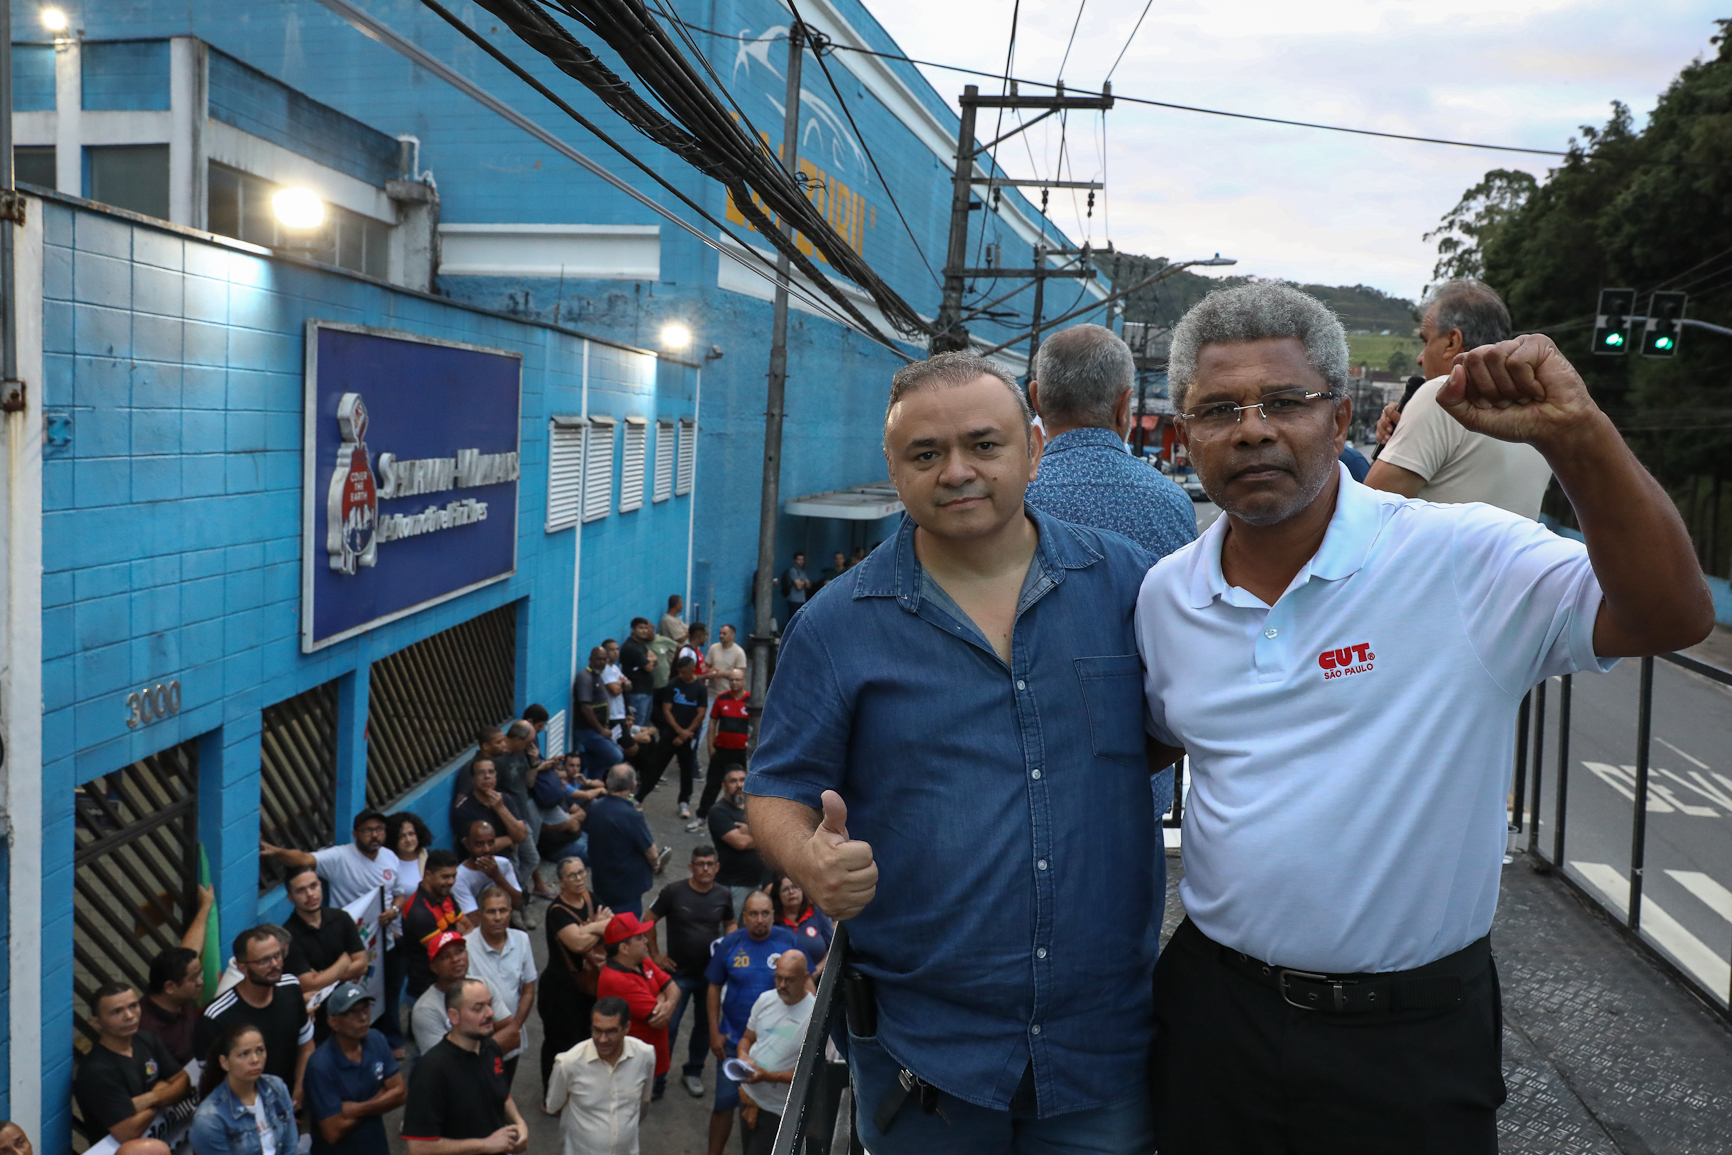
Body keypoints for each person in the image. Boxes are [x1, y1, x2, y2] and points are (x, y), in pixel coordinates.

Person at [1141, 282, 1712, 1152]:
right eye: (1219, 409)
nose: (1253, 428)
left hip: (1407, 1038)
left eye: (1286, 402)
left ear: (1340, 420)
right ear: (1186, 436)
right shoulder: (1167, 595)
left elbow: (1672, 613)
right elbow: (1153, 742)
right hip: (1218, 1019)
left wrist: (1579, 434)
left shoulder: (1464, 555)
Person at [748, 350, 1164, 1152]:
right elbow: (774, 788)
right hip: (926, 1055)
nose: (958, 471)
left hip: (1103, 1044)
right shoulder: (839, 624)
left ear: (1034, 450)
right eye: (927, 454)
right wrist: (809, 858)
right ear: (895, 469)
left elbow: (1183, 729)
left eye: (984, 444)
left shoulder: (1130, 587)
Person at [1366, 278, 1553, 518]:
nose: (1420, 358)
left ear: (1452, 342)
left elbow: (1368, 514)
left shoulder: (1440, 394)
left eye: (1426, 340)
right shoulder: (1536, 409)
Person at [702, 892, 798, 1155]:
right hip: (732, 1041)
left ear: (773, 915)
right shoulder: (729, 944)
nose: (759, 920)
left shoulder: (787, 940)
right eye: (753, 914)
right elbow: (713, 987)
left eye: (765, 913)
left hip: (775, 1044)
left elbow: (805, 980)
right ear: (744, 917)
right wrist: (714, 1032)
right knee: (723, 1104)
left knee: (768, 1108)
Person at [402, 978, 529, 1155]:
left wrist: (518, 1122)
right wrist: (485, 1145)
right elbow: (418, 1147)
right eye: (478, 1008)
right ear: (454, 1016)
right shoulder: (431, 1070)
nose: (490, 1013)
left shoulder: (490, 1048)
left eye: (489, 1004)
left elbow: (501, 1093)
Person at [647, 845, 736, 1097]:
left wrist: (727, 950)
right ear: (691, 867)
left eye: (710, 863)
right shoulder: (673, 892)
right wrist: (655, 955)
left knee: (704, 1027)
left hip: (711, 977)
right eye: (700, 864)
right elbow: (647, 922)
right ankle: (657, 1081)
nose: (705, 868)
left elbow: (730, 923)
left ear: (717, 867)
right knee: (669, 1027)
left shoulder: (723, 894)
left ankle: (693, 1072)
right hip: (677, 977)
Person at [195, 926, 315, 1107]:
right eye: (264, 961)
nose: (275, 964)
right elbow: (213, 1084)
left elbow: (306, 1045)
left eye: (278, 956)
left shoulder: (290, 987)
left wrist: (298, 1093)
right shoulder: (216, 1018)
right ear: (242, 967)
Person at [74, 982, 192, 1141]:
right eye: (117, 1012)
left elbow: (185, 1081)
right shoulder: (96, 1070)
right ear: (96, 1022)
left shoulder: (146, 1039)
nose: (129, 1016)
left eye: (133, 1006)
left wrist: (152, 1098)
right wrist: (163, 1097)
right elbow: (127, 1132)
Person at [539, 857, 614, 1092]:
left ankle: (577, 1089)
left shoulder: (591, 898)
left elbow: (612, 926)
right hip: (560, 989)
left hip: (589, 986)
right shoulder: (557, 911)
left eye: (582, 872)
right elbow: (577, 945)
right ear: (561, 881)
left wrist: (587, 928)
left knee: (585, 1039)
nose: (580, 878)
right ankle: (551, 1095)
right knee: (559, 1044)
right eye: (572, 875)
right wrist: (597, 926)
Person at [302, 983, 405, 1155]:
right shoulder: (320, 1065)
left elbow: (401, 1094)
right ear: (333, 1022)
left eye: (365, 1009)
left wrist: (356, 1109)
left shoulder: (377, 1039)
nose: (363, 1017)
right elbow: (332, 1131)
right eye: (352, 1012)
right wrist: (380, 1097)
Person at [544, 999, 655, 1155]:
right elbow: (554, 1105)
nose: (602, 1039)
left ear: (626, 1028)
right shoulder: (569, 1063)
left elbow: (643, 1102)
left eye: (611, 1031)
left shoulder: (645, 1055)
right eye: (597, 1030)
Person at [261, 811, 409, 925]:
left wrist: (394, 911)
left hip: (385, 938)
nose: (375, 835)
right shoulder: (339, 857)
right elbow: (303, 859)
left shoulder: (390, 856)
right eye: (367, 830)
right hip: (352, 936)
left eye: (379, 829)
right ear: (355, 835)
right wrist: (278, 852)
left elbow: (399, 895)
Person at [736, 952, 816, 1155]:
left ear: (806, 978)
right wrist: (742, 1056)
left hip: (778, 1111)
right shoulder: (766, 1000)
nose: (781, 984)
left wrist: (768, 1076)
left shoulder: (814, 1017)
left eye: (789, 980)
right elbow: (747, 1038)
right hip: (749, 1097)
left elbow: (809, 1073)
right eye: (778, 978)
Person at [595, 914, 679, 1099]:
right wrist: (663, 996)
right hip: (631, 1065)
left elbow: (674, 988)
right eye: (639, 938)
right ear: (624, 948)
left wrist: (665, 1000)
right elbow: (658, 1020)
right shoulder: (616, 980)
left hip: (649, 1057)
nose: (646, 940)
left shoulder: (642, 960)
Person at [464, 887, 538, 1086]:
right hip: (479, 1040)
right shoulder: (466, 947)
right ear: (480, 915)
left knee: (504, 1090)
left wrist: (514, 1028)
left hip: (513, 1036)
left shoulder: (521, 940)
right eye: (491, 911)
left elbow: (528, 989)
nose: (498, 917)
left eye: (503, 911)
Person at [189, 1024, 298, 1155]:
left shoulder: (276, 1087)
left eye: (260, 1051)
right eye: (244, 1054)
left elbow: (290, 1145)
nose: (255, 1060)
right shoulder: (209, 1120)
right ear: (225, 1062)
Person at [282, 867, 368, 1011]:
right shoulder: (288, 936)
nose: (310, 894)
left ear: (320, 886)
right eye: (300, 890)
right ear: (290, 898)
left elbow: (362, 966)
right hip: (317, 1011)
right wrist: (344, 962)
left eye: (313, 886)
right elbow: (308, 985)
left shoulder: (341, 918)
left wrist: (322, 978)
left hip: (350, 1003)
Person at [585, 766, 660, 917]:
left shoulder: (594, 808)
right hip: (626, 888)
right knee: (627, 931)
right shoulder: (631, 816)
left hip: (601, 881)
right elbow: (651, 852)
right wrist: (656, 864)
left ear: (607, 782)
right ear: (633, 786)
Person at [693, 668, 750, 829]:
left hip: (740, 752)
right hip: (721, 750)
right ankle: (701, 816)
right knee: (712, 784)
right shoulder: (721, 698)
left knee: (741, 787)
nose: (734, 682)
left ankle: (742, 819)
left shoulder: (751, 701)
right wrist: (710, 746)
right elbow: (712, 723)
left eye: (737, 679)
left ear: (744, 681)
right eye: (731, 679)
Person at [402, 850, 463, 1001]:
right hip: (426, 992)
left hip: (448, 984)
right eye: (445, 876)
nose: (451, 882)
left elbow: (467, 926)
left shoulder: (445, 895)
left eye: (453, 876)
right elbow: (446, 953)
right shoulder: (418, 912)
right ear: (428, 875)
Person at [651, 656, 707, 819]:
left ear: (692, 670)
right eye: (679, 672)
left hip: (689, 736)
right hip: (672, 733)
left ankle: (684, 802)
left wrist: (686, 733)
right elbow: (667, 709)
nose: (681, 675)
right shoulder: (673, 685)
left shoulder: (700, 688)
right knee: (656, 764)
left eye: (684, 672)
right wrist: (678, 730)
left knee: (686, 770)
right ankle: (639, 797)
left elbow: (701, 713)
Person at [707, 766, 766, 914]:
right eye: (733, 781)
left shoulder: (753, 808)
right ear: (724, 785)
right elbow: (741, 843)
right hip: (734, 886)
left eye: (742, 780)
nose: (739, 785)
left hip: (760, 884)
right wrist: (763, 835)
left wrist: (750, 831)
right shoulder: (718, 811)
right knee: (731, 932)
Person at [408, 932, 471, 1057]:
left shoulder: (483, 985)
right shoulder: (425, 1009)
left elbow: (510, 1032)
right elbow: (442, 1061)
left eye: (459, 951)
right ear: (434, 967)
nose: (455, 959)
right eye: (446, 956)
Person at [449, 759, 529, 857]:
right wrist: (510, 840)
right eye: (481, 773)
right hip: (481, 863)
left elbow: (521, 836)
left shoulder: (505, 799)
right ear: (473, 779)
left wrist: (500, 808)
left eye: (491, 772)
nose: (487, 776)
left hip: (508, 857)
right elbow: (476, 848)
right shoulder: (463, 809)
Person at [572, 647, 628, 777]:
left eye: (604, 659)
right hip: (587, 730)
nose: (602, 662)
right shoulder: (585, 677)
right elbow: (585, 708)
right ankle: (582, 760)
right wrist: (601, 729)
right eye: (599, 659)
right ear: (590, 659)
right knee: (616, 756)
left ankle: (592, 793)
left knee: (599, 768)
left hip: (599, 729)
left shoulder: (598, 676)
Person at [453, 819, 524, 919]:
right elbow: (473, 918)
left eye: (490, 843)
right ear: (467, 844)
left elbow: (518, 903)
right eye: (479, 844)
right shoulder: (459, 877)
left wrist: (497, 876)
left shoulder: (503, 864)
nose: (487, 849)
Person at [769, 873, 832, 974]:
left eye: (795, 887)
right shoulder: (773, 921)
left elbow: (832, 949)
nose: (791, 892)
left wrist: (818, 970)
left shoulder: (817, 913)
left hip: (820, 978)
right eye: (785, 889)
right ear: (778, 895)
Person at [619, 618, 658, 730]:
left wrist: (651, 660)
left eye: (646, 628)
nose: (644, 631)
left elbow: (655, 660)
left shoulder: (641, 644)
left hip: (646, 692)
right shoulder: (631, 647)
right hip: (637, 693)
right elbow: (649, 667)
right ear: (633, 629)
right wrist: (651, 660)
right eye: (641, 628)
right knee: (637, 726)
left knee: (643, 725)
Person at [703, 624, 748, 700]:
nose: (721, 636)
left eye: (724, 634)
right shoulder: (713, 648)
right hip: (711, 693)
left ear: (732, 635)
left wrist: (721, 674)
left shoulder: (739, 652)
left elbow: (740, 675)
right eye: (720, 633)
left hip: (729, 695)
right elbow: (706, 666)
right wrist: (710, 672)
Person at [601, 639, 630, 732]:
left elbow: (629, 686)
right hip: (611, 716)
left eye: (617, 649)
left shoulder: (615, 668)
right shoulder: (604, 669)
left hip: (620, 713)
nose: (615, 652)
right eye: (612, 650)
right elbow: (615, 691)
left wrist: (620, 684)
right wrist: (622, 683)